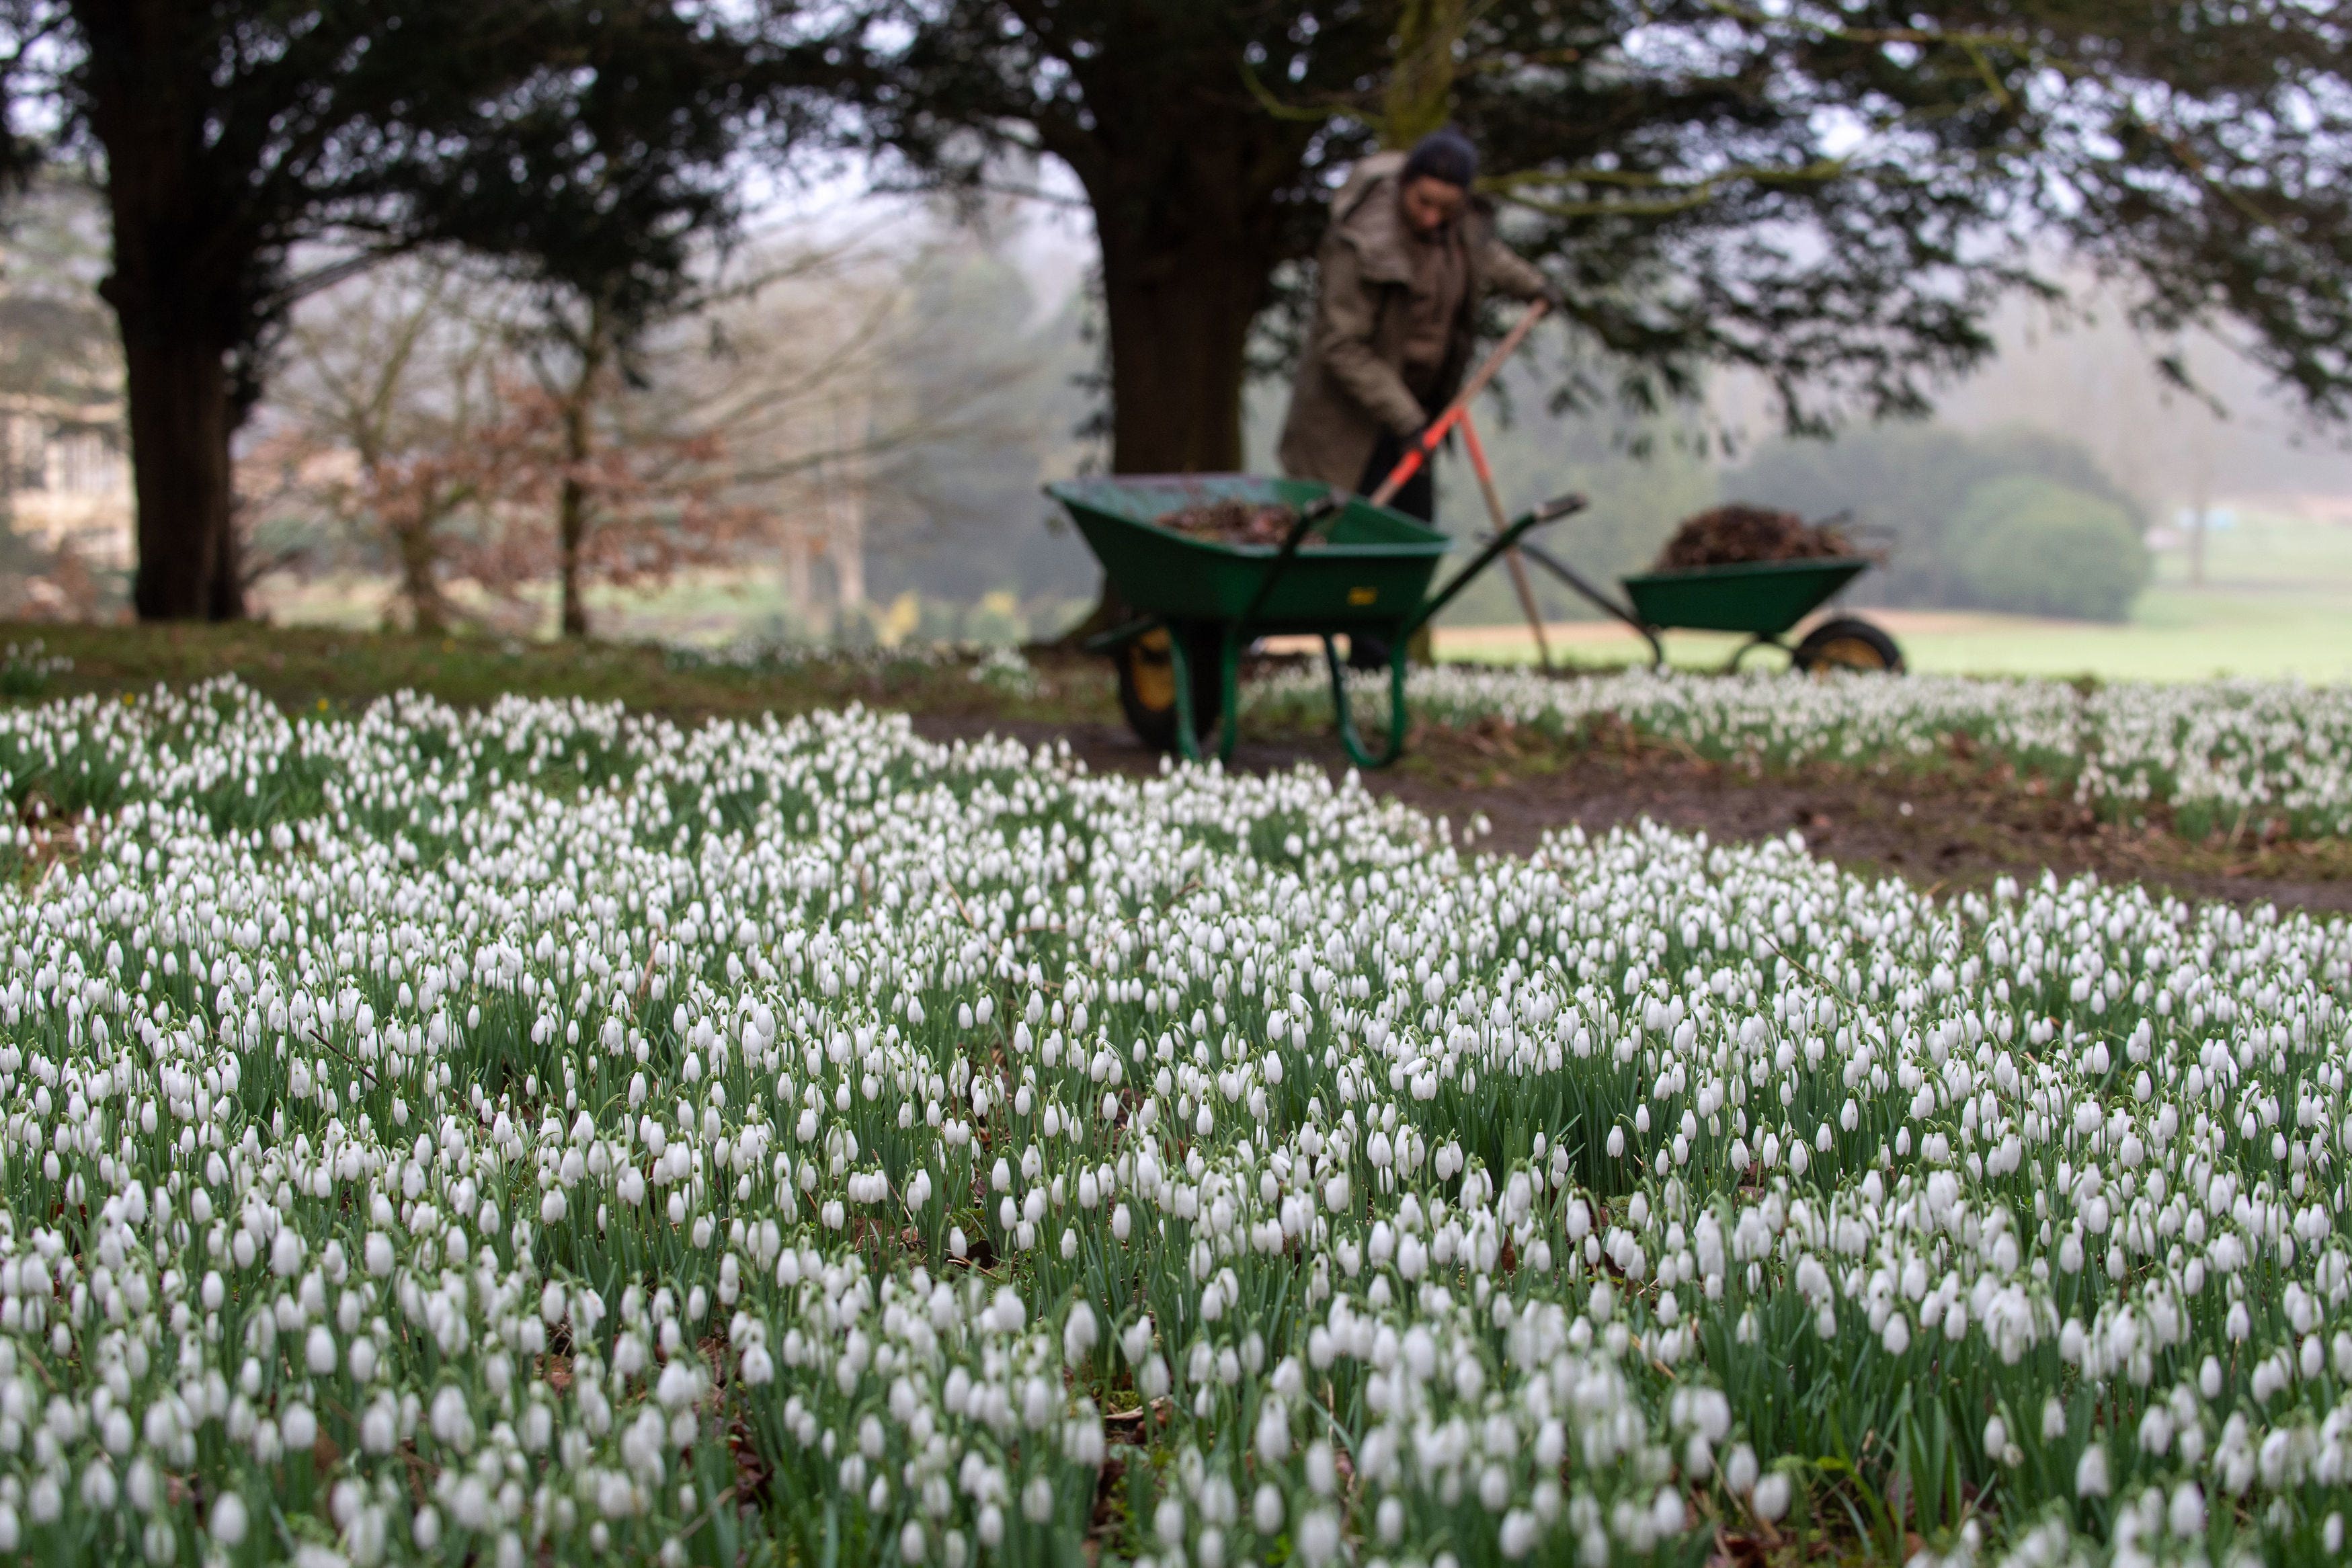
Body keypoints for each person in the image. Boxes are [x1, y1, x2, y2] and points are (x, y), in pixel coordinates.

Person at [1277, 128, 1557, 665]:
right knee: (1350, 541)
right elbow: (1342, 346)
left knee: (1409, 539)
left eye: (1445, 210)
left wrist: (1534, 287)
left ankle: (1386, 661)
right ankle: (1364, 662)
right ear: (1405, 185)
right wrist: (1406, 419)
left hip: (1417, 418)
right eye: (1423, 203)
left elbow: (1486, 257)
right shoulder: (1361, 239)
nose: (1431, 218)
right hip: (1350, 421)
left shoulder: (1459, 229)